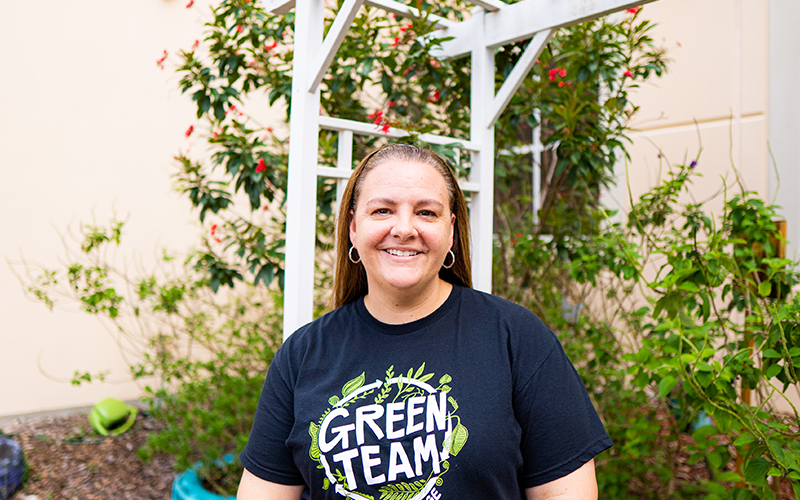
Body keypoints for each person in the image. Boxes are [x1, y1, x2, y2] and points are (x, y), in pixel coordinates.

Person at [238, 144, 612, 500]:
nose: (404, 228)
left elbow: (565, 491)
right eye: (382, 210)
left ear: (451, 230)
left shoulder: (516, 338)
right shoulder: (302, 355)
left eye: (426, 212)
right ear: (354, 228)